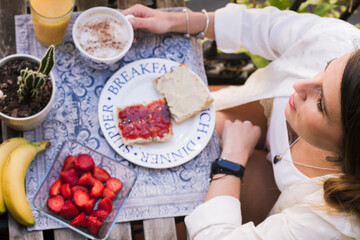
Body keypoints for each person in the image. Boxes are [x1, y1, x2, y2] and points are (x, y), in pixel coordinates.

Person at [122, 3, 360, 239]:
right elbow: (264, 27)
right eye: (326, 68)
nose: (299, 85)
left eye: (321, 104)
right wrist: (176, 21)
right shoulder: (342, 44)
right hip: (256, 125)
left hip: (273, 189)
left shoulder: (332, 221)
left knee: (178, 205)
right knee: (171, 139)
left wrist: (232, 161)